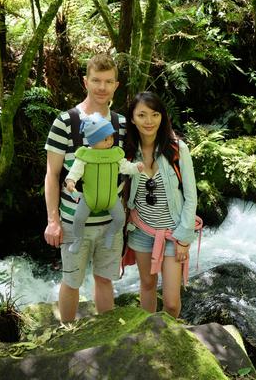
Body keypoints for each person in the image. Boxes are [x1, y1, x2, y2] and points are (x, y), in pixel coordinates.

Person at [44, 54, 124, 322]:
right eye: (96, 81)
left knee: (104, 280)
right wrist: (52, 221)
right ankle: (66, 338)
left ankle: (107, 337)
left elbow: (127, 170)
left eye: (108, 81)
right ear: (85, 82)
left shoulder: (122, 124)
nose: (102, 87)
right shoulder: (65, 122)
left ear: (116, 85)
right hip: (73, 223)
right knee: (72, 282)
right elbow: (52, 174)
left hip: (110, 223)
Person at [123, 91, 198, 318]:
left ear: (163, 117)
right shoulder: (127, 152)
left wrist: (184, 237)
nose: (149, 121)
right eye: (142, 115)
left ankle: (170, 342)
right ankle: (150, 339)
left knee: (172, 303)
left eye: (155, 115)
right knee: (147, 285)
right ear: (133, 119)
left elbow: (191, 196)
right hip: (141, 231)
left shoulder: (177, 149)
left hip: (172, 235)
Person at [65, 112, 144, 253]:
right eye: (105, 139)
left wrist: (136, 167)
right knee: (78, 219)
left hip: (111, 198)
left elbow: (125, 167)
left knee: (120, 219)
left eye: (111, 137)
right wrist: (70, 181)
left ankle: (111, 233)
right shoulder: (84, 156)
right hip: (89, 198)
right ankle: (78, 239)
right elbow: (75, 171)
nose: (110, 141)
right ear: (92, 140)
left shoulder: (115, 154)